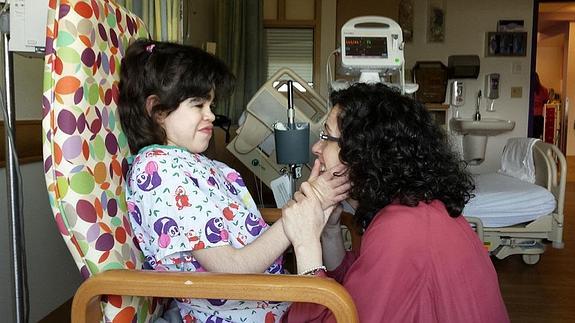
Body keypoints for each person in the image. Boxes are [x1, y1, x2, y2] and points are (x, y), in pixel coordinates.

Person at [117, 39, 349, 322]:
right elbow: (231, 268)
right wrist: (302, 212)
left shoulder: (193, 165)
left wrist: (312, 205)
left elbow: (245, 238)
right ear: (157, 111)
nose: (211, 115)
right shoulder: (160, 173)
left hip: (271, 302)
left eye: (211, 104)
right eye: (198, 105)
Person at [281, 83, 510, 322]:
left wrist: (305, 245)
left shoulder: (402, 229)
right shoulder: (413, 207)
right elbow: (362, 285)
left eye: (327, 137)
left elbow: (344, 315)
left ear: (365, 152)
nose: (316, 148)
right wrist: (330, 231)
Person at [533, 73, 549, 139]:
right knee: (537, 137)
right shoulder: (544, 90)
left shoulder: (529, 89)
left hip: (531, 116)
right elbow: (545, 102)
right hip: (539, 117)